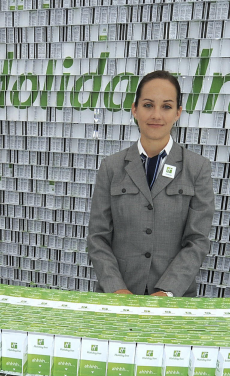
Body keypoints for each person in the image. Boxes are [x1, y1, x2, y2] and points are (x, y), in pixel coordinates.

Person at [87, 70, 215, 297]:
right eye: (148, 105)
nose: (156, 115)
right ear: (135, 109)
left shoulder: (197, 168)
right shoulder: (111, 167)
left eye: (166, 106)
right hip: (117, 295)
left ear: (178, 113)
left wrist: (167, 291)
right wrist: (117, 288)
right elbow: (98, 238)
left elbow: (197, 241)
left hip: (173, 299)